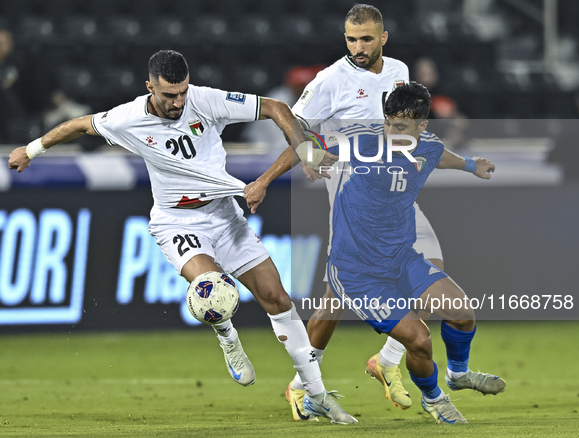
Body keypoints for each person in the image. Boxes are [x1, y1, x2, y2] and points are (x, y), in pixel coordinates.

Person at [7, 49, 356, 425]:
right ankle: (227, 335)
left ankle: (316, 393)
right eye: (168, 95)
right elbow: (77, 125)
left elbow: (275, 107)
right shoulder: (127, 118)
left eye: (182, 93)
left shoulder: (205, 101)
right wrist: (31, 150)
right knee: (213, 288)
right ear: (149, 87)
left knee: (278, 298)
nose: (177, 102)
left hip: (224, 217)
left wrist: (305, 151)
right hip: (176, 223)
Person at [244, 4, 495, 421]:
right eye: (350, 39)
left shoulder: (398, 70)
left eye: (365, 39)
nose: (357, 47)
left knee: (428, 265)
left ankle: (389, 358)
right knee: (337, 296)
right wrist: (269, 178)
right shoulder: (329, 81)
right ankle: (308, 380)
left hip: (396, 192)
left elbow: (415, 131)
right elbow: (298, 132)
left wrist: (467, 163)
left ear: (383, 38)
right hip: (349, 187)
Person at [242, 65, 325, 155]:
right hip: (261, 151)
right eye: (298, 86)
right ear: (290, 86)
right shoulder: (278, 101)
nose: (302, 90)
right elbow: (282, 146)